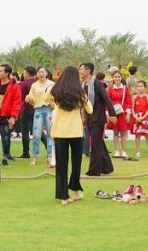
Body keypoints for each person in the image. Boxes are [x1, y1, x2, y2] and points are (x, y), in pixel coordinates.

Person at [50, 65, 91, 205]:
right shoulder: (79, 93)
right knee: (76, 163)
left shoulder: (55, 90)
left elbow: (43, 99)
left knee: (61, 165)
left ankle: (63, 196)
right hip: (76, 132)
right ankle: (75, 191)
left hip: (59, 132)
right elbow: (90, 110)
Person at [80, 62, 114, 176]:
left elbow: (106, 98)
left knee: (95, 144)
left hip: (98, 118)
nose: (80, 71)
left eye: (81, 69)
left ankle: (94, 171)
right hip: (89, 118)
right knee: (99, 143)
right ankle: (107, 167)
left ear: (88, 70)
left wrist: (112, 114)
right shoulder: (82, 85)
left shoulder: (97, 84)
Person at [25, 66, 55, 167]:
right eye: (39, 72)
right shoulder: (34, 85)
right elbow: (32, 98)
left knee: (51, 134)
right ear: (37, 74)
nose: (41, 74)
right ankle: (35, 156)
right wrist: (29, 99)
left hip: (49, 110)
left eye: (43, 72)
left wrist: (52, 103)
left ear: (46, 73)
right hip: (38, 110)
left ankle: (50, 156)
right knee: (36, 134)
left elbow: (56, 97)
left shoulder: (52, 84)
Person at [0, 64, 22, 165]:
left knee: (6, 135)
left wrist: (13, 116)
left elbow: (17, 102)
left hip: (7, 114)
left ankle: (6, 154)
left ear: (7, 73)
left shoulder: (14, 86)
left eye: (1, 71)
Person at [106, 69, 132, 160]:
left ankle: (124, 151)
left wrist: (128, 113)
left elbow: (129, 101)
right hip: (113, 113)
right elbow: (107, 102)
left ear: (121, 78)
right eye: (115, 77)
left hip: (123, 112)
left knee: (124, 132)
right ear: (113, 78)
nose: (117, 78)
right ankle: (116, 151)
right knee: (115, 132)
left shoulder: (125, 88)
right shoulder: (110, 89)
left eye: (118, 77)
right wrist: (108, 113)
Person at [17, 66, 37, 159]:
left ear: (28, 73)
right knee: (39, 131)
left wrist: (18, 110)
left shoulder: (23, 84)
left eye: (24, 73)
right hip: (37, 110)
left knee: (25, 132)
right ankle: (49, 150)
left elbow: (20, 98)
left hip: (26, 110)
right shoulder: (38, 83)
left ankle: (26, 152)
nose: (23, 75)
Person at [131, 80, 148, 160]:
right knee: (137, 135)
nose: (139, 88)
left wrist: (143, 117)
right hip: (137, 118)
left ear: (144, 87)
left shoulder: (147, 96)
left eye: (141, 86)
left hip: (145, 118)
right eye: (138, 86)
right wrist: (135, 117)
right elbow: (132, 108)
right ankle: (137, 152)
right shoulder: (134, 97)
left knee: (147, 136)